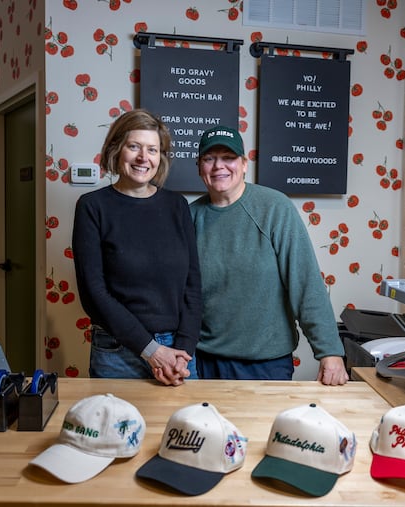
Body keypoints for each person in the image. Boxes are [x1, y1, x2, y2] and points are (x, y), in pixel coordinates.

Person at [189, 125, 348, 385]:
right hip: (204, 360)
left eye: (228, 158)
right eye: (209, 158)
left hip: (266, 364)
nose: (219, 166)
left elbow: (306, 282)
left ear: (243, 164)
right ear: (199, 167)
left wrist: (329, 351)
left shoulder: (275, 208)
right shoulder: (190, 216)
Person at [72, 109, 201, 386]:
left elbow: (192, 284)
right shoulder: (92, 207)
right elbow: (94, 293)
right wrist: (152, 351)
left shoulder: (176, 206)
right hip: (117, 352)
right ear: (117, 150)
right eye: (134, 147)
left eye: (153, 150)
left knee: (184, 428)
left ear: (161, 158)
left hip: (179, 351)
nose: (144, 158)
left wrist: (183, 351)